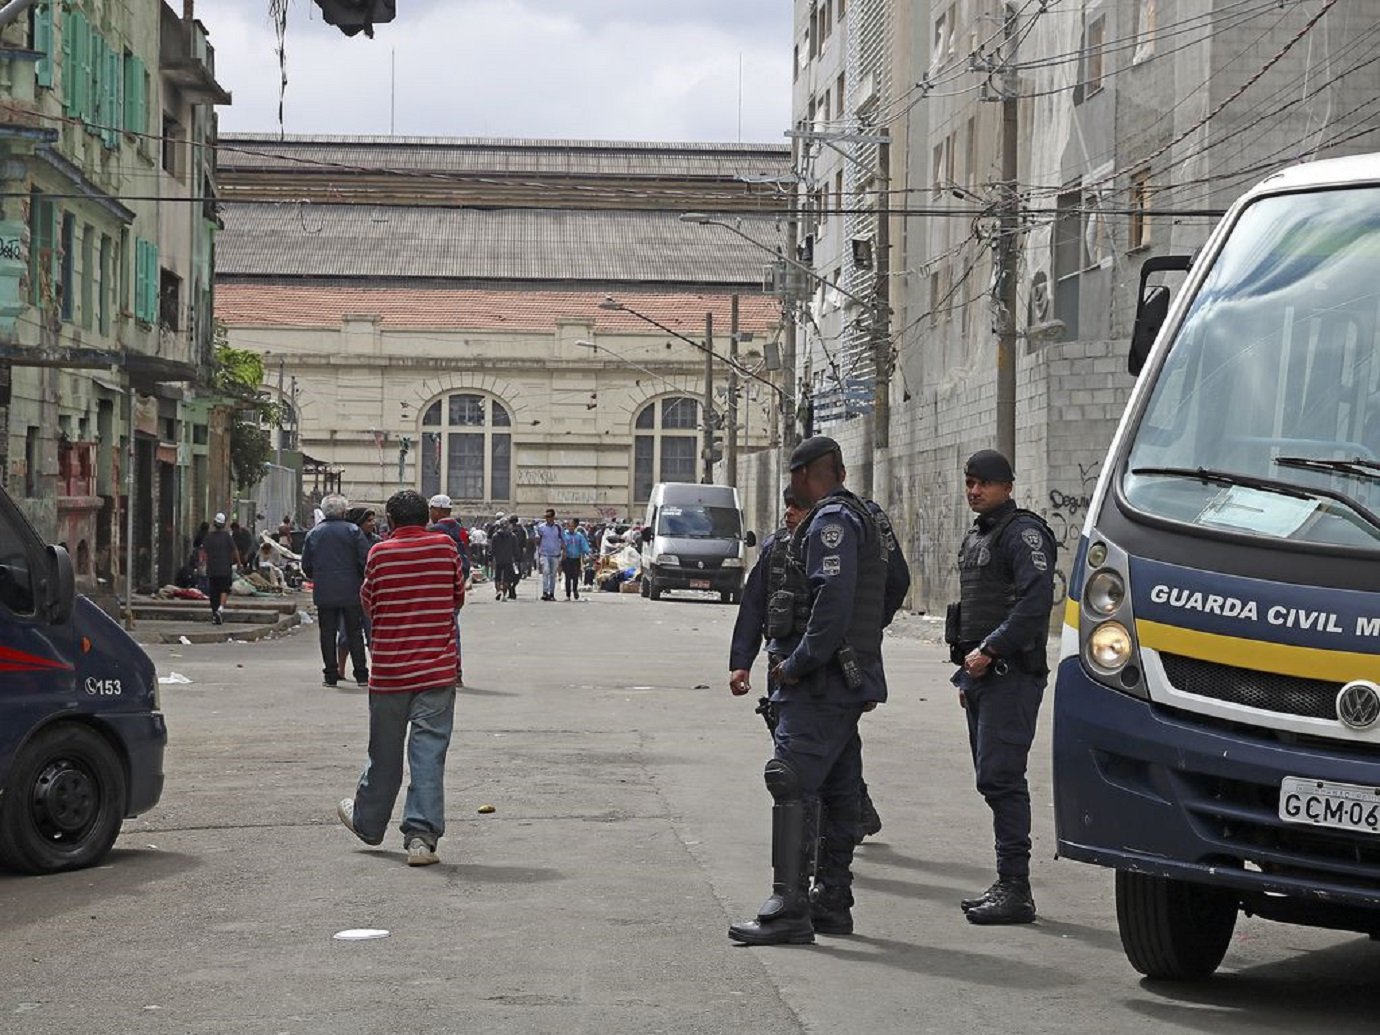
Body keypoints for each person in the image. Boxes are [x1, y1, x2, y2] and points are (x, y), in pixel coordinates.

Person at [728, 436, 902, 946]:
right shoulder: (861, 517)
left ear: (805, 473)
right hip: (843, 682)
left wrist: (799, 663)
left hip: (819, 684)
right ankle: (832, 902)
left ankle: (789, 906)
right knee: (840, 788)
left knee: (789, 779)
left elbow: (832, 602)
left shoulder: (829, 522)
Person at [947, 449, 1056, 926]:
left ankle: (1016, 889)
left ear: (1007, 486)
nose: (975, 491)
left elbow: (1035, 605)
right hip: (982, 678)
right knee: (991, 778)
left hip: (1010, 675)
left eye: (984, 484)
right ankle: (1007, 883)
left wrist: (990, 650)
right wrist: (968, 671)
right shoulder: (978, 536)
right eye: (970, 483)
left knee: (1003, 778)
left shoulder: (1024, 533)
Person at [336, 489, 465, 866]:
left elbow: (369, 602)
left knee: (385, 753)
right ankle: (421, 839)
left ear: (390, 522)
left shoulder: (379, 553)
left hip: (391, 671)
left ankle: (369, 823)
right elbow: (457, 597)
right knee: (428, 754)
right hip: (436, 671)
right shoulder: (445, 549)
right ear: (427, 517)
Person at [301, 493, 371, 688]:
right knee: (354, 632)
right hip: (351, 590)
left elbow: (306, 564)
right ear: (343, 511)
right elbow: (364, 560)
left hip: (325, 590)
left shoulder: (314, 533)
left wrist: (318, 576)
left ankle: (330, 674)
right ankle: (361, 674)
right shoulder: (353, 531)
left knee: (327, 633)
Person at [202, 513, 237, 625]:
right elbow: (234, 550)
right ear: (223, 524)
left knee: (213, 592)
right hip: (225, 569)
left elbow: (204, 553)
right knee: (224, 589)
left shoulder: (209, 537)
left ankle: (214, 614)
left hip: (212, 569)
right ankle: (220, 609)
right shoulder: (227, 537)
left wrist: (203, 564)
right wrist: (239, 563)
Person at [489, 515, 521, 600]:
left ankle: (498, 591)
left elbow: (492, 548)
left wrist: (490, 558)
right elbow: (516, 549)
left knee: (498, 576)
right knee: (507, 577)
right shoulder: (512, 536)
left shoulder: (495, 536)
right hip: (508, 559)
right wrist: (517, 558)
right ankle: (504, 594)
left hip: (498, 559)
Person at [535, 508, 564, 601]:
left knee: (553, 575)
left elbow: (562, 540)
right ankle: (545, 592)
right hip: (544, 553)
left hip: (555, 554)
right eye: (546, 517)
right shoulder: (541, 527)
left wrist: (564, 551)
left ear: (553, 517)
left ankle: (551, 593)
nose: (547, 518)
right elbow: (538, 539)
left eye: (549, 517)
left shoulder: (558, 528)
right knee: (546, 572)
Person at [560, 518, 590, 600]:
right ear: (567, 526)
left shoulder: (579, 536)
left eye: (573, 526)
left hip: (576, 558)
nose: (571, 528)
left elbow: (584, 546)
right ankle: (568, 595)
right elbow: (560, 545)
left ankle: (575, 590)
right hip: (567, 559)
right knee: (568, 577)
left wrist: (589, 553)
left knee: (576, 576)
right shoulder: (564, 535)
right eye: (569, 526)